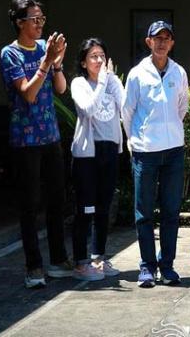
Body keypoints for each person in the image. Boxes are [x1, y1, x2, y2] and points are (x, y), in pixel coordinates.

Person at [0, 0, 71, 289]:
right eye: (34, 19)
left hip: (50, 136)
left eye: (42, 18)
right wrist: (45, 62)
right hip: (26, 139)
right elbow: (28, 94)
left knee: (58, 200)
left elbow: (61, 89)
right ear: (19, 22)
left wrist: (56, 64)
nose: (40, 24)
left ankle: (57, 260)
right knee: (30, 205)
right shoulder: (10, 54)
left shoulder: (45, 48)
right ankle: (33, 267)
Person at [122, 20, 189, 288]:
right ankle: (147, 266)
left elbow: (182, 107)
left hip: (173, 151)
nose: (162, 43)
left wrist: (169, 130)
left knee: (171, 212)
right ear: (148, 42)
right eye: (156, 38)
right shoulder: (137, 74)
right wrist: (135, 141)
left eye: (166, 38)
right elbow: (127, 113)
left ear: (172, 43)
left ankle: (168, 266)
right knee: (144, 213)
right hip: (146, 152)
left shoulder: (179, 72)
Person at [70, 38, 125, 281]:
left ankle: (99, 257)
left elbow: (125, 106)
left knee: (104, 207)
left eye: (102, 55)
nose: (99, 60)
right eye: (93, 56)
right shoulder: (79, 83)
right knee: (86, 208)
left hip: (109, 150)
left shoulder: (109, 81)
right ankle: (81, 262)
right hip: (87, 155)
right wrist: (102, 82)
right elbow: (87, 109)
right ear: (83, 61)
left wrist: (112, 81)